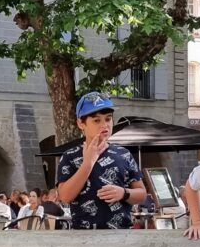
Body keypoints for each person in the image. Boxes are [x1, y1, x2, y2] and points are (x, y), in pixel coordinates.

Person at [56, 91, 147, 229]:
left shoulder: (123, 154)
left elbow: (142, 194)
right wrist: (88, 163)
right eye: (96, 120)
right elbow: (64, 197)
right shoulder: (70, 156)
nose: (104, 125)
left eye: (108, 119)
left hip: (122, 237)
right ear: (81, 123)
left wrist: (124, 193)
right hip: (83, 239)